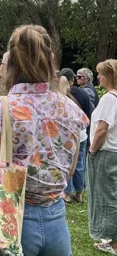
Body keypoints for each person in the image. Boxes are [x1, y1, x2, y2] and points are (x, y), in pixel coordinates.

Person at [0, 25, 89, 256]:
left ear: (10, 62)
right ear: (50, 58)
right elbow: (69, 170)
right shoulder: (71, 108)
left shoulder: (1, 107)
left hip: (13, 223)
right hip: (57, 221)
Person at [87, 59, 117, 254]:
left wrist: (92, 150)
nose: (98, 77)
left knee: (106, 197)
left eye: (100, 74)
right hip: (114, 152)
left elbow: (102, 129)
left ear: (109, 76)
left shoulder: (109, 98)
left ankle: (113, 242)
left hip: (105, 153)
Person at [59, 68, 91, 203]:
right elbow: (89, 113)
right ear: (72, 79)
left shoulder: (60, 95)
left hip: (67, 134)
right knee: (80, 163)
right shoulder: (82, 93)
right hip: (82, 133)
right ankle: (79, 193)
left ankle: (67, 193)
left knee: (68, 161)